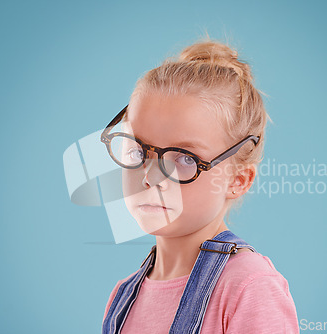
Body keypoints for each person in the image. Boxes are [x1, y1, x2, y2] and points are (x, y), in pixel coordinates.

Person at [100, 38, 299, 333]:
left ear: (237, 180)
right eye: (138, 152)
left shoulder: (248, 287)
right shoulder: (123, 297)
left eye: (184, 158)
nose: (151, 177)